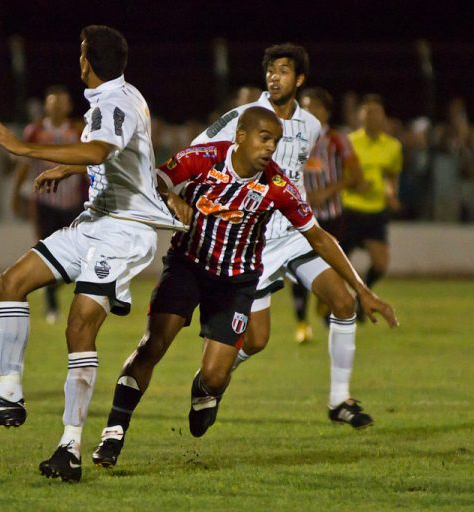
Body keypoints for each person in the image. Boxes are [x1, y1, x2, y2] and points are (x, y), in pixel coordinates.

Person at [91, 107, 397, 468]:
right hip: (187, 267)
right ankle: (112, 434)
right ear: (240, 136)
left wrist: (362, 289)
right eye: (264, 138)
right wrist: (171, 197)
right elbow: (154, 178)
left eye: (276, 141)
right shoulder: (204, 159)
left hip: (235, 281)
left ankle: (204, 389)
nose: (271, 148)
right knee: (152, 345)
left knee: (216, 375)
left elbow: (318, 236)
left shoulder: (277, 186)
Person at [0, 25, 183, 483]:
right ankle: (9, 396)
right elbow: (110, 156)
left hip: (124, 232)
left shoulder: (114, 102)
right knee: (10, 283)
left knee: (78, 327)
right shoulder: (119, 96)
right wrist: (64, 166)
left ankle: (70, 445)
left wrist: (24, 149)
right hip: (95, 221)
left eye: (79, 53)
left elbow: (100, 149)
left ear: (85, 60)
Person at [192, 43, 378, 429]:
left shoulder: (311, 125)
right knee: (257, 340)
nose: (274, 77)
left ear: (300, 79)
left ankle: (339, 401)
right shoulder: (242, 117)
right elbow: (197, 151)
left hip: (296, 233)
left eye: (283, 71)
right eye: (270, 70)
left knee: (343, 304)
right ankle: (212, 379)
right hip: (253, 243)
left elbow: (293, 178)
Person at [292, 86, 364, 341]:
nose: (307, 111)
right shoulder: (291, 136)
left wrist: (328, 191)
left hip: (332, 215)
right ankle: (302, 324)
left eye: (313, 106)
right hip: (301, 216)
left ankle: (325, 302)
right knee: (298, 268)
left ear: (325, 111)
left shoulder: (337, 139)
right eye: (304, 106)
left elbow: (356, 176)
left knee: (330, 266)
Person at [10, 85, 85, 324]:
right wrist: (16, 194)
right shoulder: (35, 131)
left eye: (61, 102)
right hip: (44, 203)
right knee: (48, 253)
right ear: (46, 106)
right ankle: (52, 305)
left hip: (72, 202)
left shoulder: (78, 131)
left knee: (78, 257)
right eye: (53, 102)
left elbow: (88, 163)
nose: (57, 106)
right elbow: (24, 164)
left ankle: (53, 289)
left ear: (69, 106)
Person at [341, 94, 403, 317]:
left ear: (384, 117)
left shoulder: (393, 146)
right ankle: (332, 306)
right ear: (360, 116)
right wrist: (354, 184)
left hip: (376, 211)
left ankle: (361, 297)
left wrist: (391, 193)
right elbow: (338, 173)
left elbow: (391, 175)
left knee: (380, 264)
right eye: (368, 113)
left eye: (376, 113)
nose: (372, 117)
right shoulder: (349, 142)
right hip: (350, 209)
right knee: (335, 265)